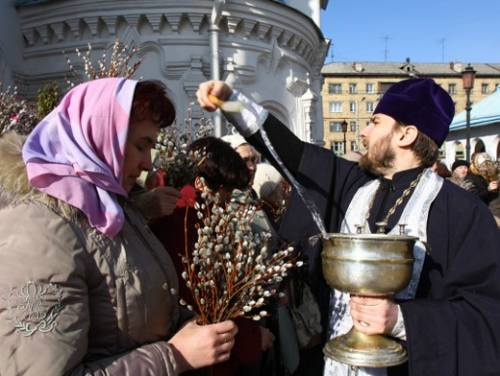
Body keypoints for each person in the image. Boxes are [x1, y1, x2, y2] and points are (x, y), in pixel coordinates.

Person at [196, 78, 500, 376]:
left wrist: (400, 318)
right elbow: (291, 151)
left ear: (405, 134)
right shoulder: (356, 186)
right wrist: (231, 100)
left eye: (375, 122)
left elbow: (486, 316)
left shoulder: (463, 211)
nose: (363, 133)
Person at [0, 78, 238, 375]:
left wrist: (189, 324)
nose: (148, 164)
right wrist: (174, 356)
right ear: (99, 137)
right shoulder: (40, 231)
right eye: (141, 145)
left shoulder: (112, 209)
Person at [148, 136, 274, 376]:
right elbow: (204, 305)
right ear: (202, 184)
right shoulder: (185, 227)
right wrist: (253, 338)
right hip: (204, 357)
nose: (228, 203)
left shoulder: (186, 220)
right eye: (226, 193)